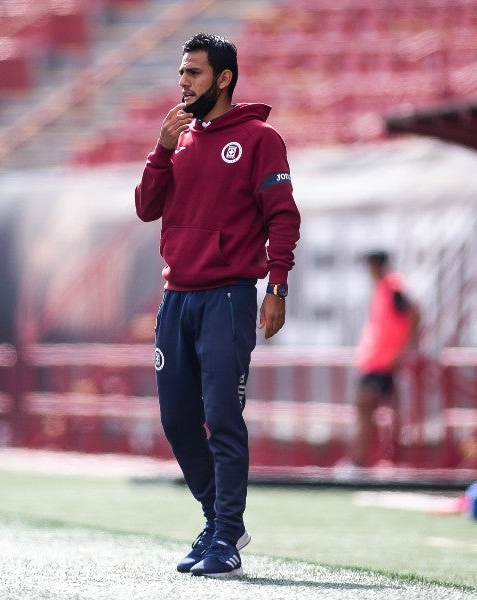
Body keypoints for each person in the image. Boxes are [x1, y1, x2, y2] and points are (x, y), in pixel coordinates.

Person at [134, 33, 301, 577]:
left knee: (222, 418)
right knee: (178, 420)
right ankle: (216, 520)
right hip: (176, 297)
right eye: (181, 73)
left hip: (228, 297)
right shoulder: (177, 139)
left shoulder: (259, 139)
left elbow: (282, 217)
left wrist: (276, 286)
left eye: (194, 74)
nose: (182, 83)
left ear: (224, 78)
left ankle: (226, 537)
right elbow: (145, 208)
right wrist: (160, 148)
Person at [347, 250, 420, 468]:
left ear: (376, 266)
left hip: (382, 362)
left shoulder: (392, 287)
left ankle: (360, 462)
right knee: (364, 409)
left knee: (365, 407)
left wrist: (403, 349)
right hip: (373, 360)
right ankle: (361, 460)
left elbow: (415, 314)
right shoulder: (382, 289)